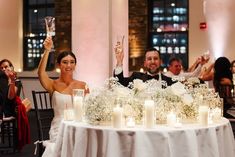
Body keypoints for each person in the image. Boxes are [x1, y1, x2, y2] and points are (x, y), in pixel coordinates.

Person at [38, 36, 89, 156]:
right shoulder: (53, 84)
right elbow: (40, 73)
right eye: (65, 62)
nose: (68, 65)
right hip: (59, 127)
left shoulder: (83, 85)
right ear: (59, 65)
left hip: (79, 126)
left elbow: (88, 109)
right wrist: (47, 50)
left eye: (72, 62)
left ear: (75, 65)